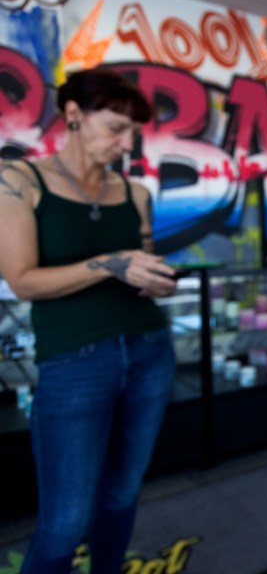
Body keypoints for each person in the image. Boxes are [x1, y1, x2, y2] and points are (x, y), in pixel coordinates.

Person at [0, 67, 178, 574]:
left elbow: (140, 265)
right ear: (73, 115)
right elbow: (22, 280)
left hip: (150, 352)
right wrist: (111, 263)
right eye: (115, 129)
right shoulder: (19, 180)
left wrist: (152, 277)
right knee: (64, 521)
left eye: (132, 133)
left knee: (122, 493)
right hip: (74, 361)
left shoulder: (135, 192)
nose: (125, 144)